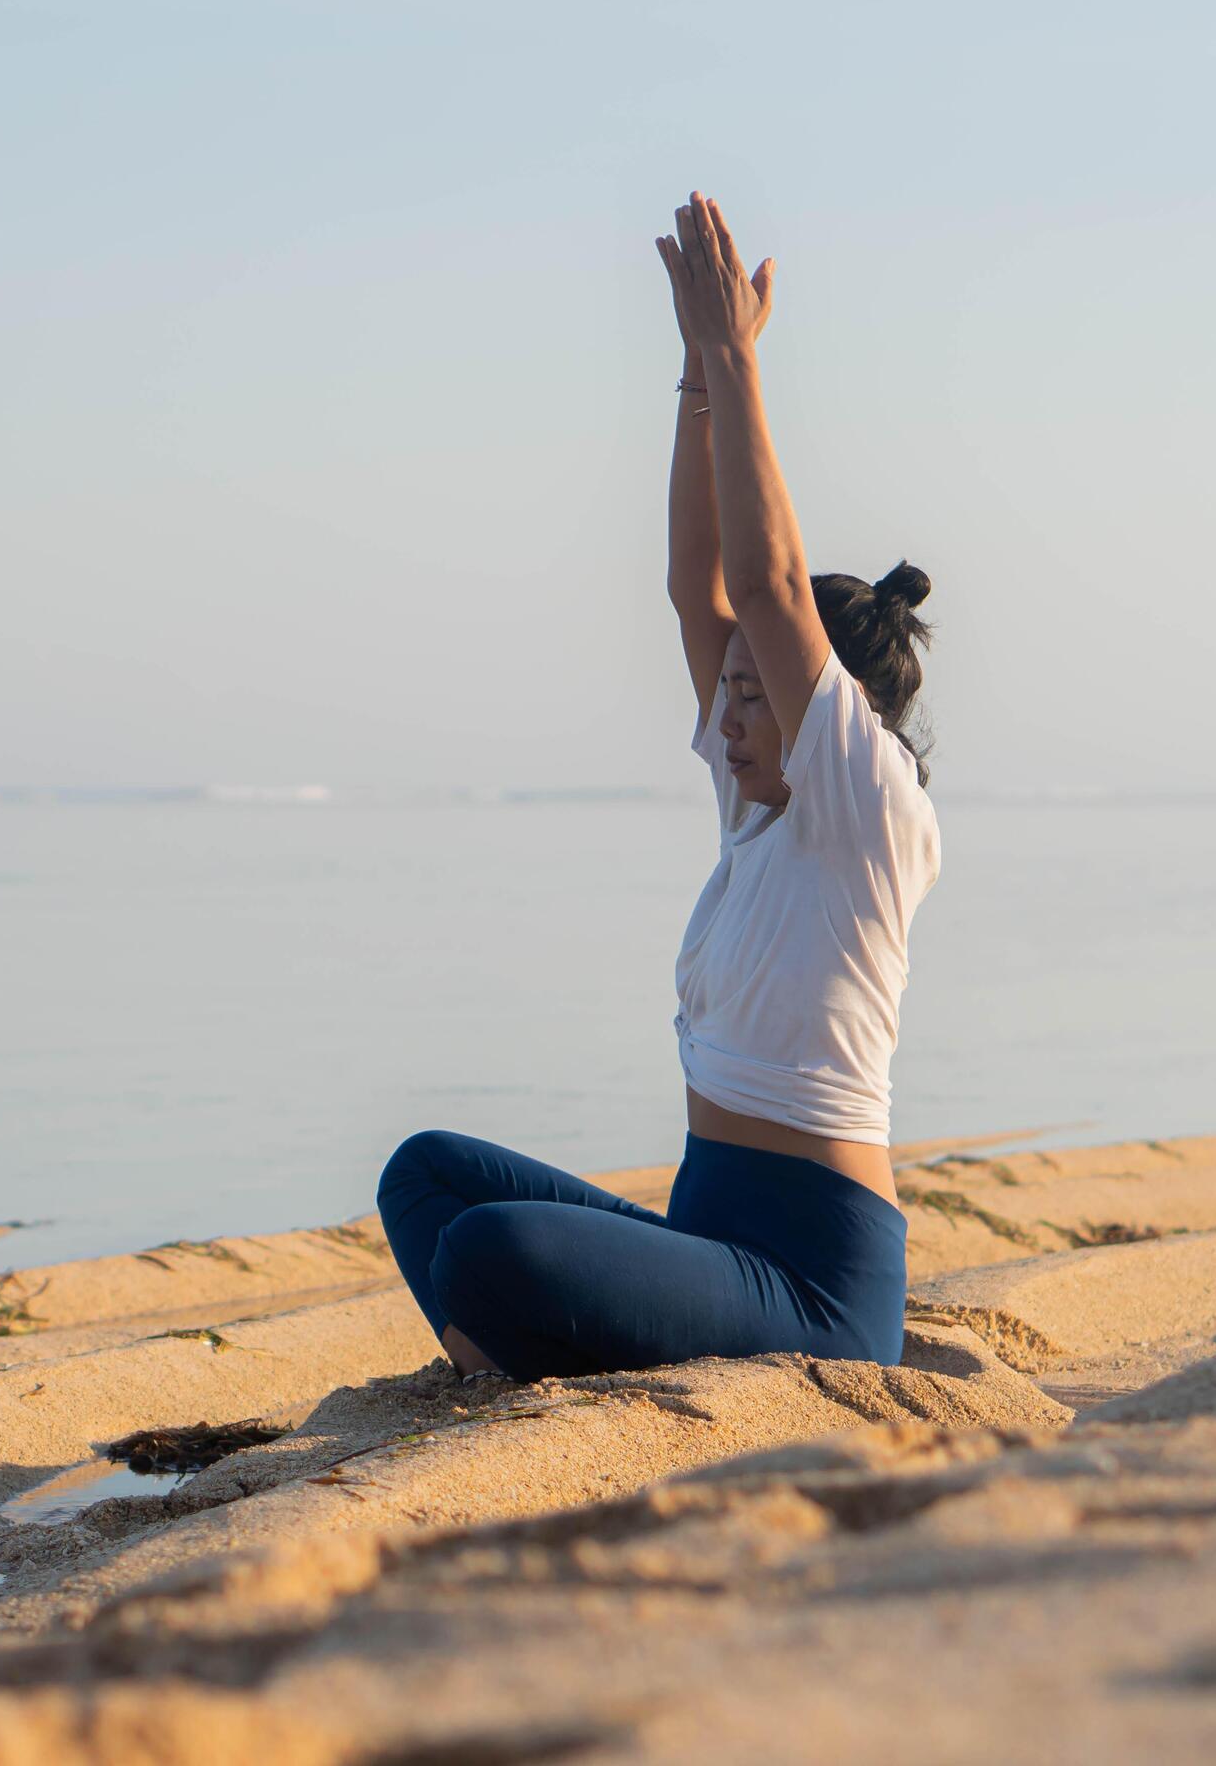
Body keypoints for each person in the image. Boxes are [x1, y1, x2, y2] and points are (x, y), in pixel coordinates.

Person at [375, 191, 941, 1383]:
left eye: (755, 694)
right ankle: (541, 1346)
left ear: (819, 702)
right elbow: (705, 586)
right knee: (425, 1173)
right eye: (726, 692)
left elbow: (771, 586)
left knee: (489, 1250)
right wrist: (695, 373)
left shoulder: (866, 804)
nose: (726, 717)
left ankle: (525, 1354)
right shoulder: (760, 807)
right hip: (715, 1236)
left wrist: (740, 357)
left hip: (815, 1285)